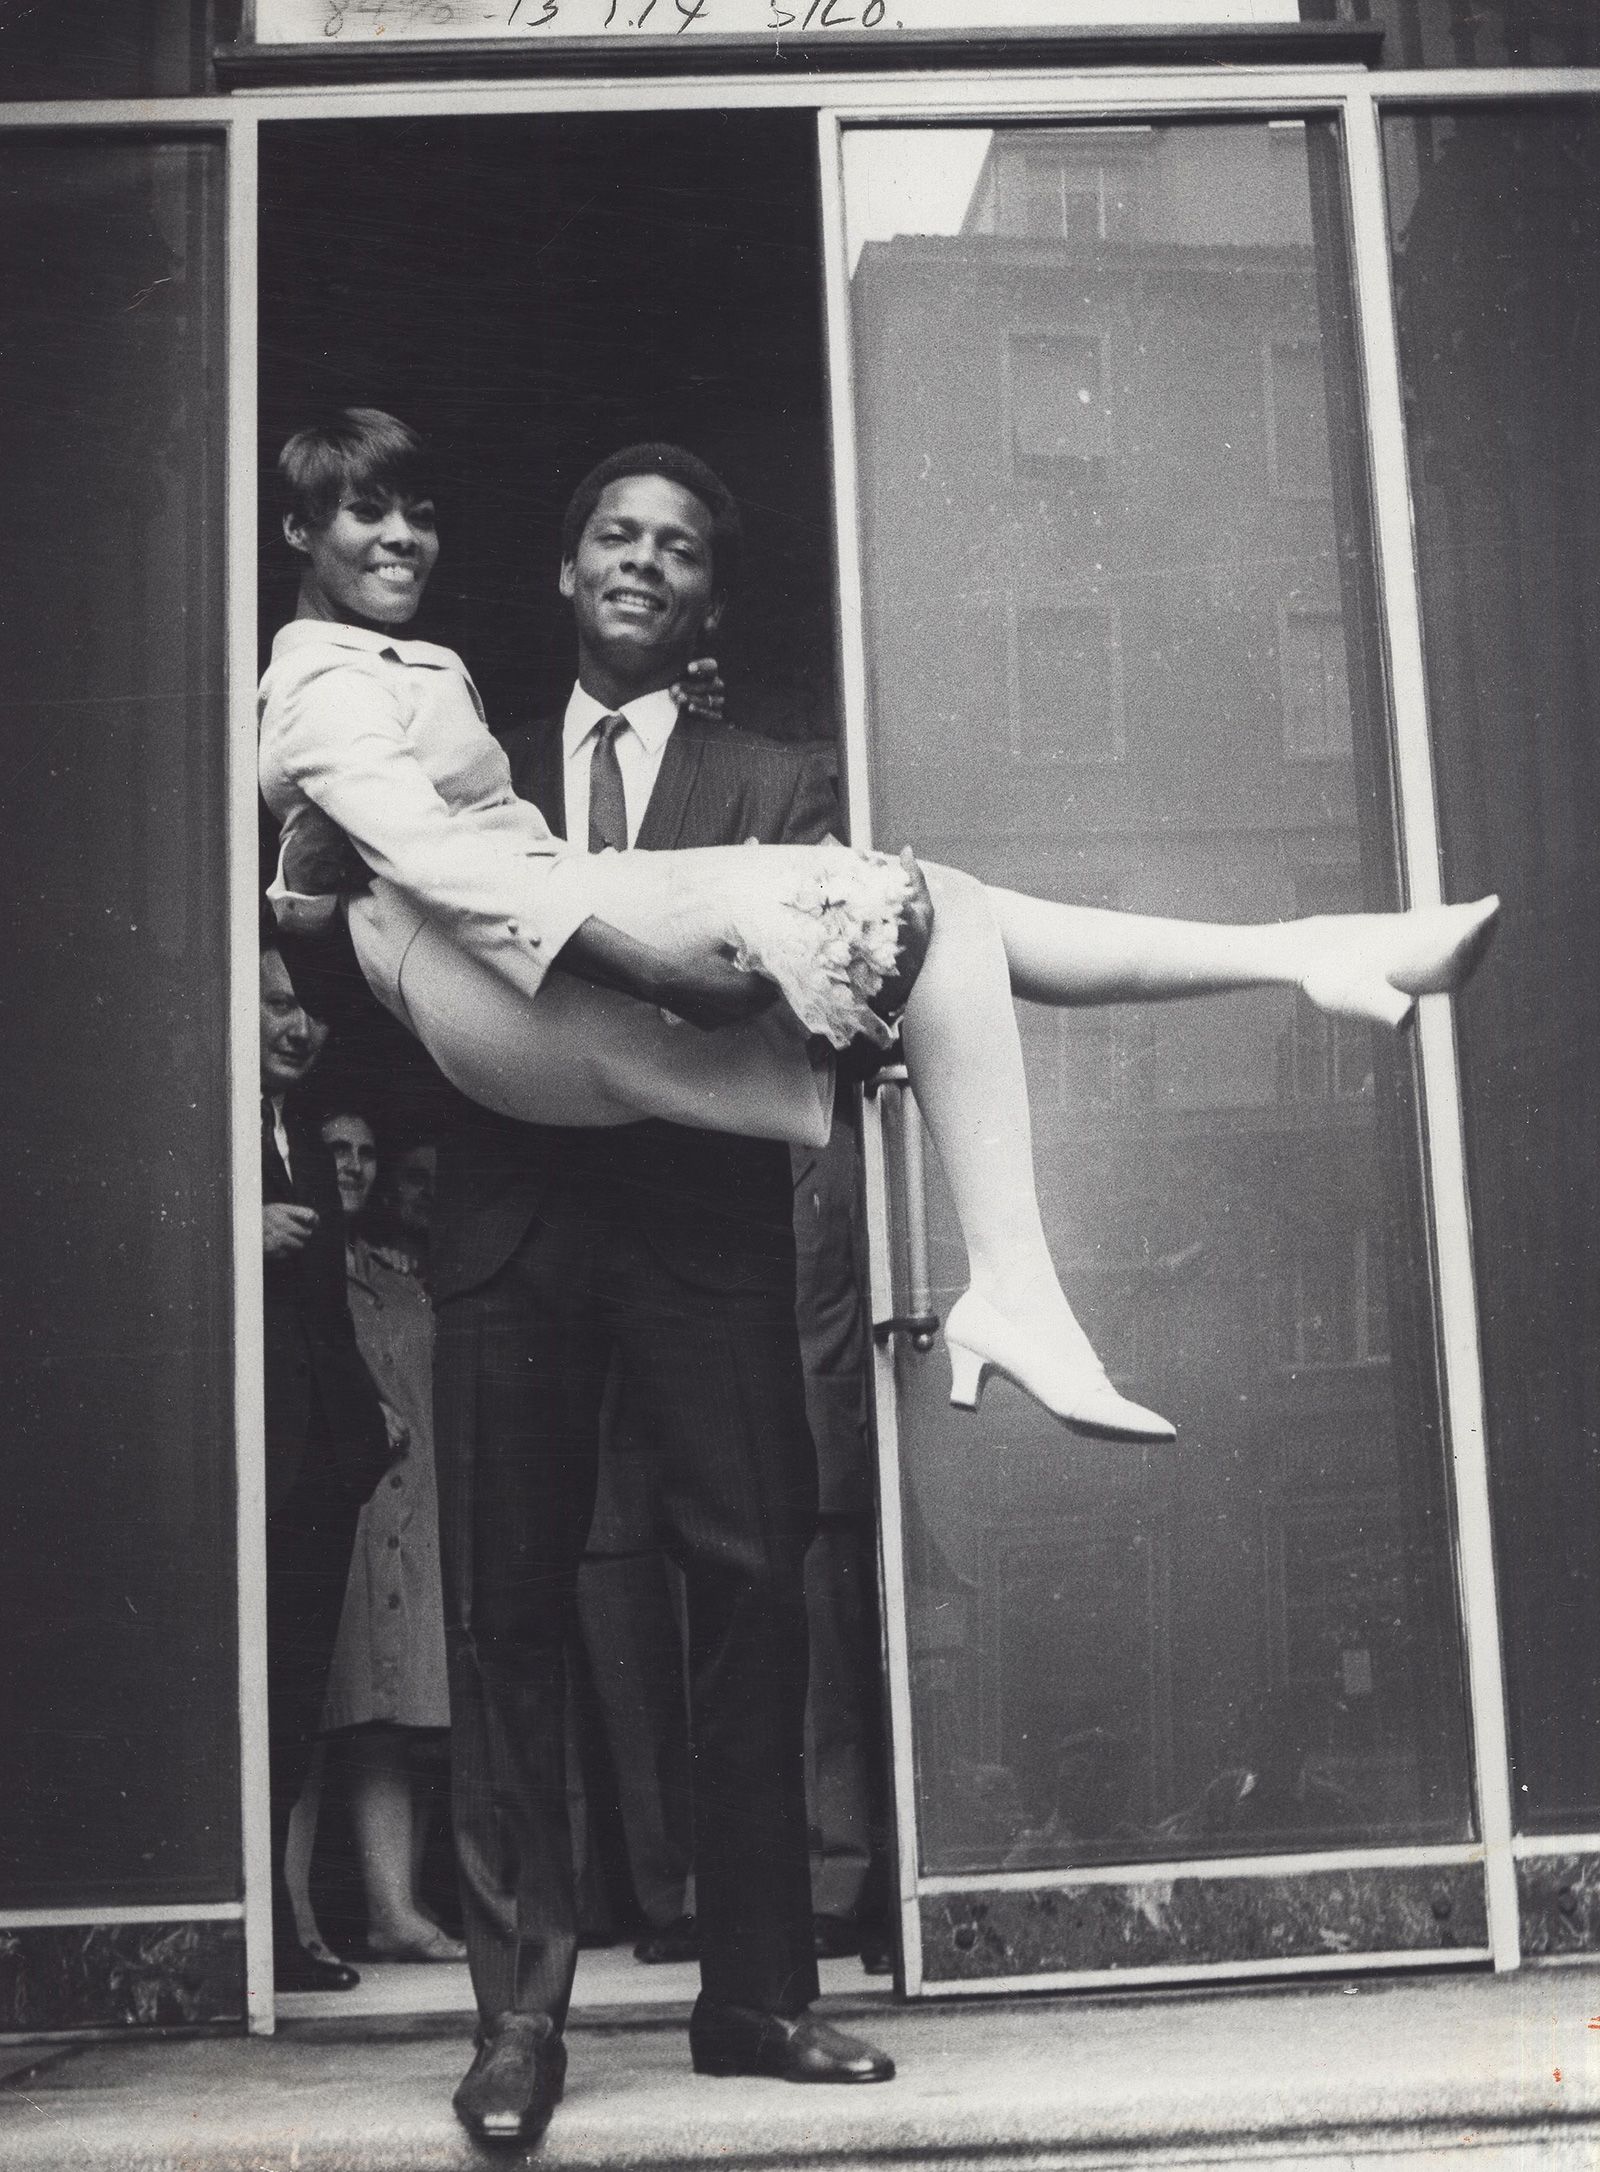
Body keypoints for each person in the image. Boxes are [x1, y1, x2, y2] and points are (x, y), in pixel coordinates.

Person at [259, 413, 1496, 2137]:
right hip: (520, 1217)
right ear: (561, 567)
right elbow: (392, 962)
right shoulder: (446, 736)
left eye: (678, 545)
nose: (640, 559)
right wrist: (336, 922)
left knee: (757, 1583)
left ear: (707, 603)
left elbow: (859, 1013)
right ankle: (517, 2015)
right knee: (511, 1612)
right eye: (613, 533)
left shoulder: (779, 774)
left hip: (701, 1216)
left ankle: (758, 1995)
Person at [258, 938, 394, 1995]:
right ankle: (252, 1938)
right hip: (236, 1463)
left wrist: (366, 1424)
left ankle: (280, 1935)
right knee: (246, 1697)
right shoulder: (189, 1120)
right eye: (272, 1004)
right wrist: (227, 1228)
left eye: (307, 1009)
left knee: (296, 1698)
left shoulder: (305, 1129)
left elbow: (329, 1315)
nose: (296, 1026)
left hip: (319, 1460)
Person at [315, 1111, 464, 1965]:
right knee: (321, 1714)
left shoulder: (399, 1279)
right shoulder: (300, 1269)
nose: (356, 1166)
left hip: (409, 1516)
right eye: (338, 1151)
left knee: (392, 1719)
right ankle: (294, 1918)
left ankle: (394, 1911)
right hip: (343, 1509)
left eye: (369, 1152)